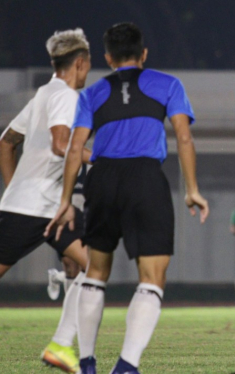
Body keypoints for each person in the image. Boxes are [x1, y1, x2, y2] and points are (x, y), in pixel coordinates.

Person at [46, 22, 209, 374]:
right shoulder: (167, 85)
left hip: (102, 179)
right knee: (152, 277)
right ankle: (126, 366)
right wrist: (192, 188)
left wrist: (64, 201)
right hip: (145, 179)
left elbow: (75, 149)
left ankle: (87, 362)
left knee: (95, 271)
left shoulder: (93, 93)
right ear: (144, 54)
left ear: (107, 57)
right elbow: (183, 138)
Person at [0, 28, 91, 373]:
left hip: (46, 207)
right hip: (37, 207)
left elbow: (6, 142)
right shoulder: (66, 97)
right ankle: (61, 344)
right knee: (97, 266)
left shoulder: (43, 93)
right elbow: (59, 144)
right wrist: (95, 157)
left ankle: (60, 345)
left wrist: (15, 189)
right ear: (79, 63)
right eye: (88, 64)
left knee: (96, 264)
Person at [48, 165, 88, 301]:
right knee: (71, 264)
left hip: (91, 210)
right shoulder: (63, 147)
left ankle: (57, 277)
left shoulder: (101, 148)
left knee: (88, 264)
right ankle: (71, 316)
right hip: (67, 210)